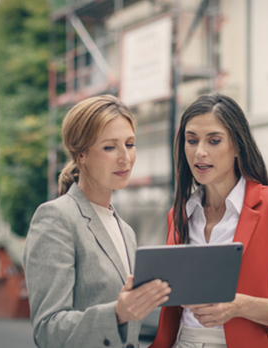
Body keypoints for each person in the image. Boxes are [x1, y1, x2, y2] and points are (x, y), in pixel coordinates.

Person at [150, 93, 268, 348]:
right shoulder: (179, 215)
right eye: (191, 140)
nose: (200, 152)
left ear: (237, 146)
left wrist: (239, 306)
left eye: (214, 140)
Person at [23, 95, 171, 348]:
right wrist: (117, 314)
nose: (125, 157)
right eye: (110, 147)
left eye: (130, 144)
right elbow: (48, 330)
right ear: (81, 155)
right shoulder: (56, 219)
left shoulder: (126, 231)